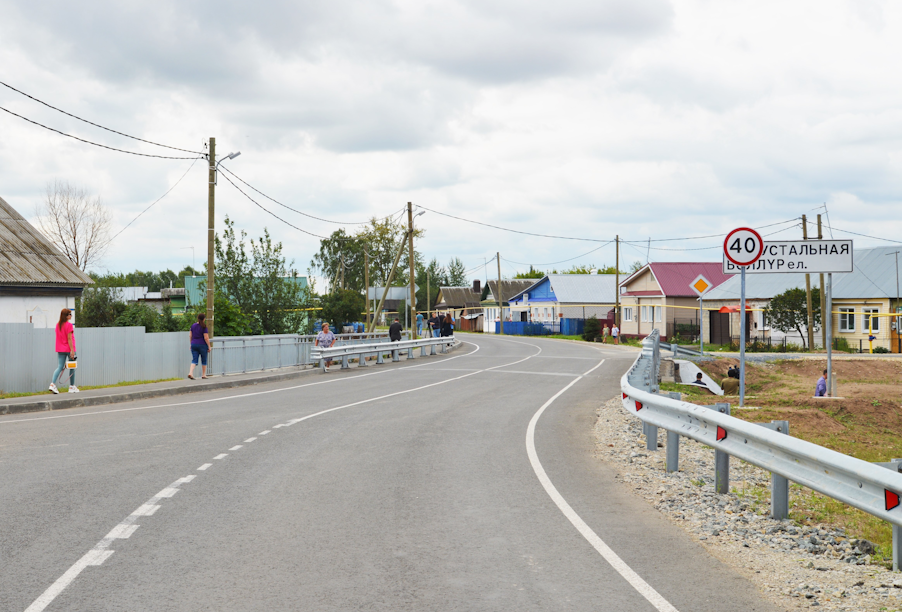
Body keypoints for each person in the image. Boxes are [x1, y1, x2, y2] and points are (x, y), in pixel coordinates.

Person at [50, 308, 78, 394]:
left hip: (60, 349)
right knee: (72, 366)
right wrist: (72, 351)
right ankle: (72, 386)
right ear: (66, 316)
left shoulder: (57, 325)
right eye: (70, 314)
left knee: (60, 367)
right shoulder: (69, 325)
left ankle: (52, 384)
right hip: (69, 349)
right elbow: (69, 338)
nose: (71, 316)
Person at [188, 313, 213, 379]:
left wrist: (191, 343)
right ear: (204, 319)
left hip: (194, 344)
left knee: (194, 360)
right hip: (202, 345)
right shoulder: (204, 327)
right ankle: (203, 375)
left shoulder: (193, 326)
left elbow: (190, 335)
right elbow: (206, 338)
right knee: (204, 360)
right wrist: (209, 346)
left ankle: (190, 373)